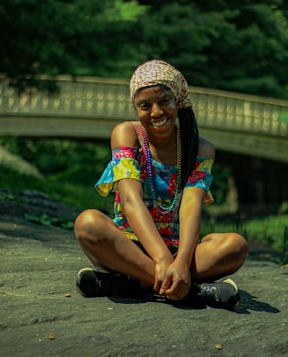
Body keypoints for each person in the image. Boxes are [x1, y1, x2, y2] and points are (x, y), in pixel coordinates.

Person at [72, 59, 249, 310]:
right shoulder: (126, 133)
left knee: (235, 246)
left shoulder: (200, 147)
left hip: (179, 252)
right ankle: (189, 290)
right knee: (88, 224)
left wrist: (181, 260)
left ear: (177, 100)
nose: (156, 112)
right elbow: (131, 200)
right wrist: (162, 259)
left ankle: (136, 284)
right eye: (145, 105)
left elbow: (191, 207)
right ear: (135, 107)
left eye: (164, 101)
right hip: (130, 248)